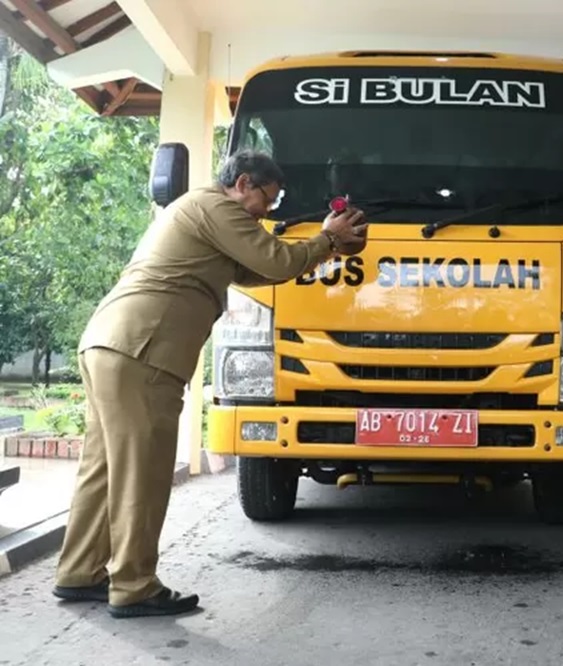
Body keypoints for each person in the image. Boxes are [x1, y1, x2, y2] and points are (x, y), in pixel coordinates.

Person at [51, 151, 368, 618]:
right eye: (268, 200)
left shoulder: (202, 214)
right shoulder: (217, 207)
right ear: (243, 183)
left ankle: (80, 572)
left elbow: (257, 272)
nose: (268, 212)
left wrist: (330, 249)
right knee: (143, 472)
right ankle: (134, 586)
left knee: (102, 471)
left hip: (110, 343)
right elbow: (276, 259)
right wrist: (325, 237)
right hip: (143, 351)